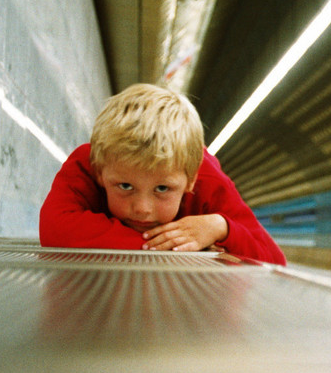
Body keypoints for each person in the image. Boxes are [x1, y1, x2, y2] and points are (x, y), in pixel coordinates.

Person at [39, 83, 286, 265]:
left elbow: (275, 261)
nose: (143, 208)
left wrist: (222, 227)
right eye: (125, 186)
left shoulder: (206, 179)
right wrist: (174, 249)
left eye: (162, 189)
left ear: (190, 181)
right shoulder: (90, 161)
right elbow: (54, 227)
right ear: (100, 174)